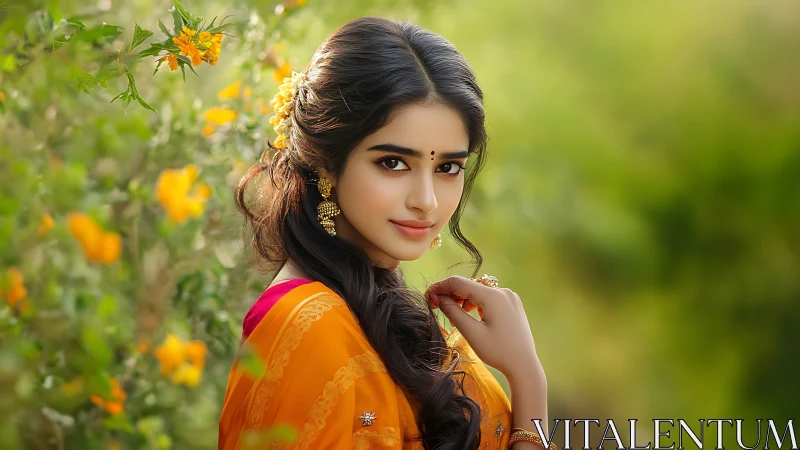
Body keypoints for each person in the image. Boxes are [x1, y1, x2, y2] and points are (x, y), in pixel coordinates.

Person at [218, 16, 549, 450]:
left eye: (448, 167)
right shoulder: (308, 326)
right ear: (326, 163)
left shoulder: (381, 310)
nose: (426, 201)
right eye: (393, 163)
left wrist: (525, 372)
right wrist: (529, 382)